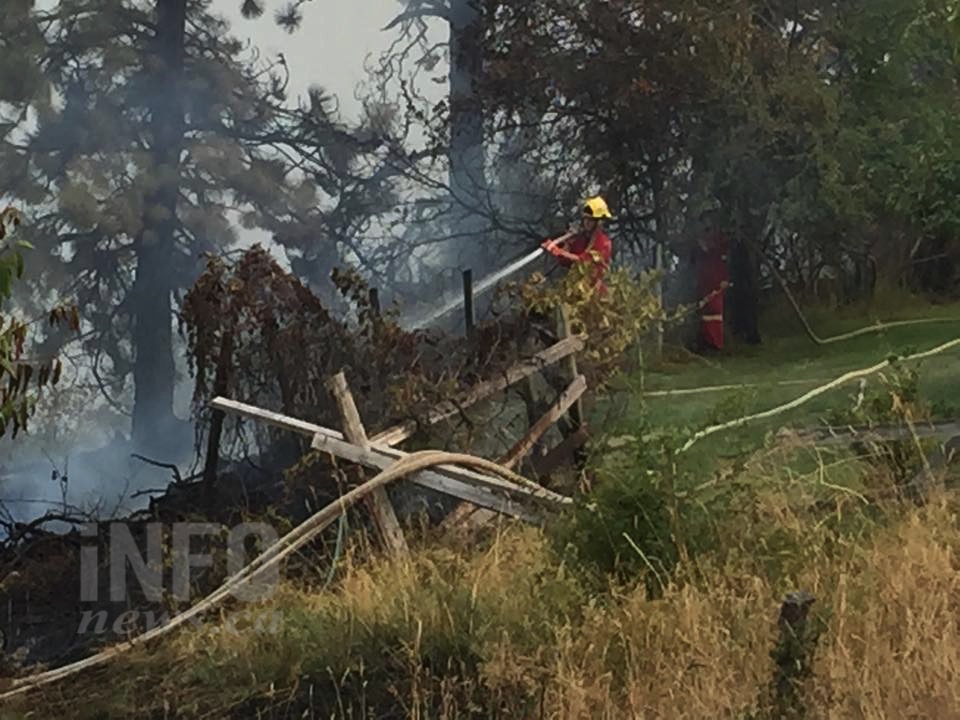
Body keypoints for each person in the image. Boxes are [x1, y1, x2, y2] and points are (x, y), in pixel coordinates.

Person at [541, 196, 614, 294]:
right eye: (585, 219)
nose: (587, 223)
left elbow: (584, 261)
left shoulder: (604, 243)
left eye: (591, 220)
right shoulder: (581, 238)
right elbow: (564, 262)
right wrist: (567, 244)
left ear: (599, 222)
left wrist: (559, 251)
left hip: (594, 294)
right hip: (574, 289)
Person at [695, 209, 730, 352]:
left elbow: (719, 253)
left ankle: (717, 343)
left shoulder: (718, 239)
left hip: (716, 279)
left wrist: (724, 278)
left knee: (715, 310)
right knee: (706, 311)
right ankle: (708, 342)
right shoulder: (701, 239)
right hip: (705, 279)